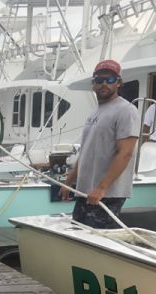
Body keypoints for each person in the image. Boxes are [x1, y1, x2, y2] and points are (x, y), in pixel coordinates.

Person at [59, 59, 140, 228]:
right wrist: (69, 182)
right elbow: (87, 152)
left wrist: (102, 188)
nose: (104, 84)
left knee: (96, 240)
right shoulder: (95, 112)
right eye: (99, 80)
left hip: (107, 194)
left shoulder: (126, 110)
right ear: (93, 84)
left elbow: (125, 153)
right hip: (85, 191)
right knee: (78, 235)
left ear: (118, 83)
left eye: (110, 80)